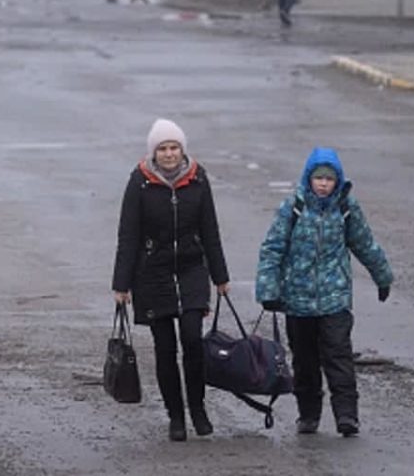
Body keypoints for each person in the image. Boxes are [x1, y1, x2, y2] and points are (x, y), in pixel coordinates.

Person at [255, 147, 393, 438]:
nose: (323, 183)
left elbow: (364, 244)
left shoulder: (346, 208)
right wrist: (268, 289)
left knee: (338, 357)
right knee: (304, 362)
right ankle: (308, 414)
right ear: (309, 178)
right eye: (318, 178)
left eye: (329, 179)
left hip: (335, 299)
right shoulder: (293, 207)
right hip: (298, 300)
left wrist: (383, 277)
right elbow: (273, 248)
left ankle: (347, 415)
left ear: (337, 181)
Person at [112, 119, 230, 441]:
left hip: (192, 271)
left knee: (192, 339)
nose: (168, 154)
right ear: (154, 152)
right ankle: (175, 416)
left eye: (173, 147)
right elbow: (128, 235)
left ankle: (198, 408)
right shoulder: (139, 182)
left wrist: (220, 276)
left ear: (182, 150)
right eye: (162, 148)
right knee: (165, 348)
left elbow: (210, 230)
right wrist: (121, 284)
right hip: (152, 276)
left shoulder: (198, 178)